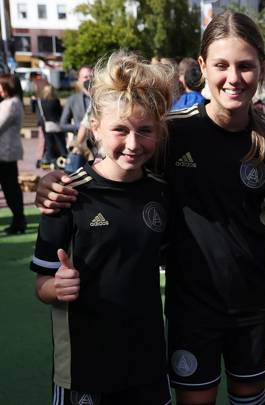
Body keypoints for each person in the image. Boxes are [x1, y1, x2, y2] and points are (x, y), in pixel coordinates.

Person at [34, 11, 265, 405]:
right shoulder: (172, 132)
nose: (233, 77)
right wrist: (51, 183)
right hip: (189, 310)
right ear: (203, 66)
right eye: (221, 65)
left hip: (252, 310)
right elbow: (118, 165)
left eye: (245, 66)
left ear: (261, 65)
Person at [30, 51, 175, 404]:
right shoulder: (67, 195)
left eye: (145, 131)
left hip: (147, 363)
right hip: (85, 365)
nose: (132, 143)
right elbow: (42, 284)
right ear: (94, 126)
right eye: (120, 130)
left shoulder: (161, 191)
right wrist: (56, 286)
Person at [0, 74, 25, 235]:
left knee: (10, 189)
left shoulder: (11, 104)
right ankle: (18, 221)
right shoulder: (11, 102)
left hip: (5, 152)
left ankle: (18, 221)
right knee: (11, 188)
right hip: (6, 152)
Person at [36, 83, 67, 167]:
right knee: (60, 143)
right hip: (56, 124)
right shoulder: (55, 101)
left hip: (45, 125)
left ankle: (49, 160)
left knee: (49, 144)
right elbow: (60, 112)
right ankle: (65, 160)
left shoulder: (40, 101)